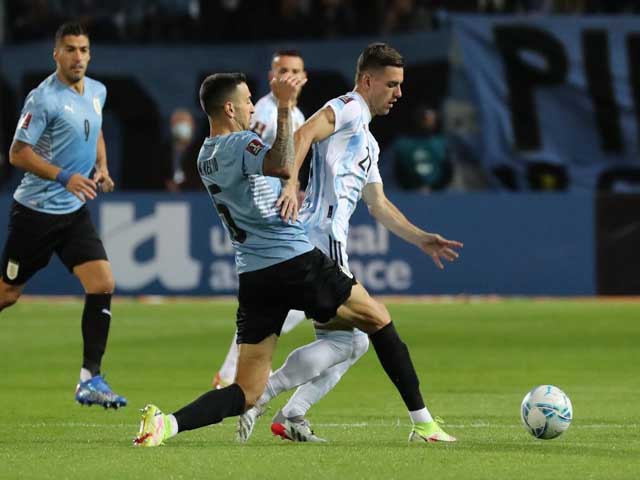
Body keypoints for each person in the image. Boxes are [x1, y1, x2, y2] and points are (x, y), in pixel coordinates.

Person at [133, 68, 462, 447]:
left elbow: (264, 178)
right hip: (293, 260)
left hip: (253, 274)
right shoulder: (241, 143)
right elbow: (281, 163)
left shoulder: (205, 156)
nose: (252, 105)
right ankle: (423, 424)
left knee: (247, 391)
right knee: (378, 319)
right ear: (229, 108)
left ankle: (166, 424)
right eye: (246, 100)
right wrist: (287, 109)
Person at [236, 42, 461, 443]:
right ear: (367, 80)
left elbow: (378, 205)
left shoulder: (368, 142)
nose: (399, 93)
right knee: (369, 327)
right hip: (321, 239)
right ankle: (264, 396)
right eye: (391, 84)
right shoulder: (349, 106)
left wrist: (420, 239)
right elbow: (304, 133)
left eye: (400, 85)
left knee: (349, 341)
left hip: (319, 240)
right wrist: (290, 182)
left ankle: (289, 413)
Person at [0, 22, 126, 409]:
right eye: (70, 50)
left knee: (103, 283)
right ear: (56, 54)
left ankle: (90, 379)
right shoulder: (43, 99)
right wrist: (65, 176)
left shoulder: (97, 91)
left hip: (72, 212)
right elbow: (17, 154)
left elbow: (97, 129)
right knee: (7, 294)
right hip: (35, 214)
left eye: (84, 50)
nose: (78, 57)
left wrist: (101, 167)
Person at [212, 49, 308, 389]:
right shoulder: (264, 112)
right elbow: (246, 152)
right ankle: (236, 373)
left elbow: (289, 164)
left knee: (283, 301)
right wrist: (283, 186)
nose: (289, 77)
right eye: (283, 70)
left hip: (285, 210)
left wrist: (291, 187)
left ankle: (233, 372)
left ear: (305, 77)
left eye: (295, 70)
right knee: (299, 296)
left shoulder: (297, 113)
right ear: (272, 76)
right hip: (265, 217)